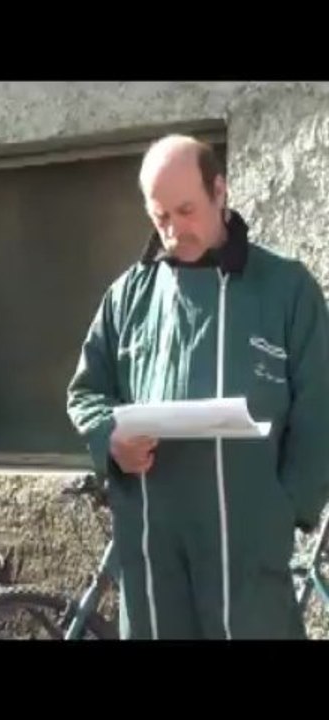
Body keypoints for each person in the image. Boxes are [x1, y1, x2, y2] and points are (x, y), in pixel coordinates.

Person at [66, 134, 329, 640]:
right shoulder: (129, 296)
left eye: (186, 210)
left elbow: (318, 412)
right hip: (152, 549)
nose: (174, 230)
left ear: (220, 190)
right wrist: (109, 438)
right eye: (160, 217)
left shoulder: (286, 289)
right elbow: (86, 391)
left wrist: (285, 511)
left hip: (249, 550)